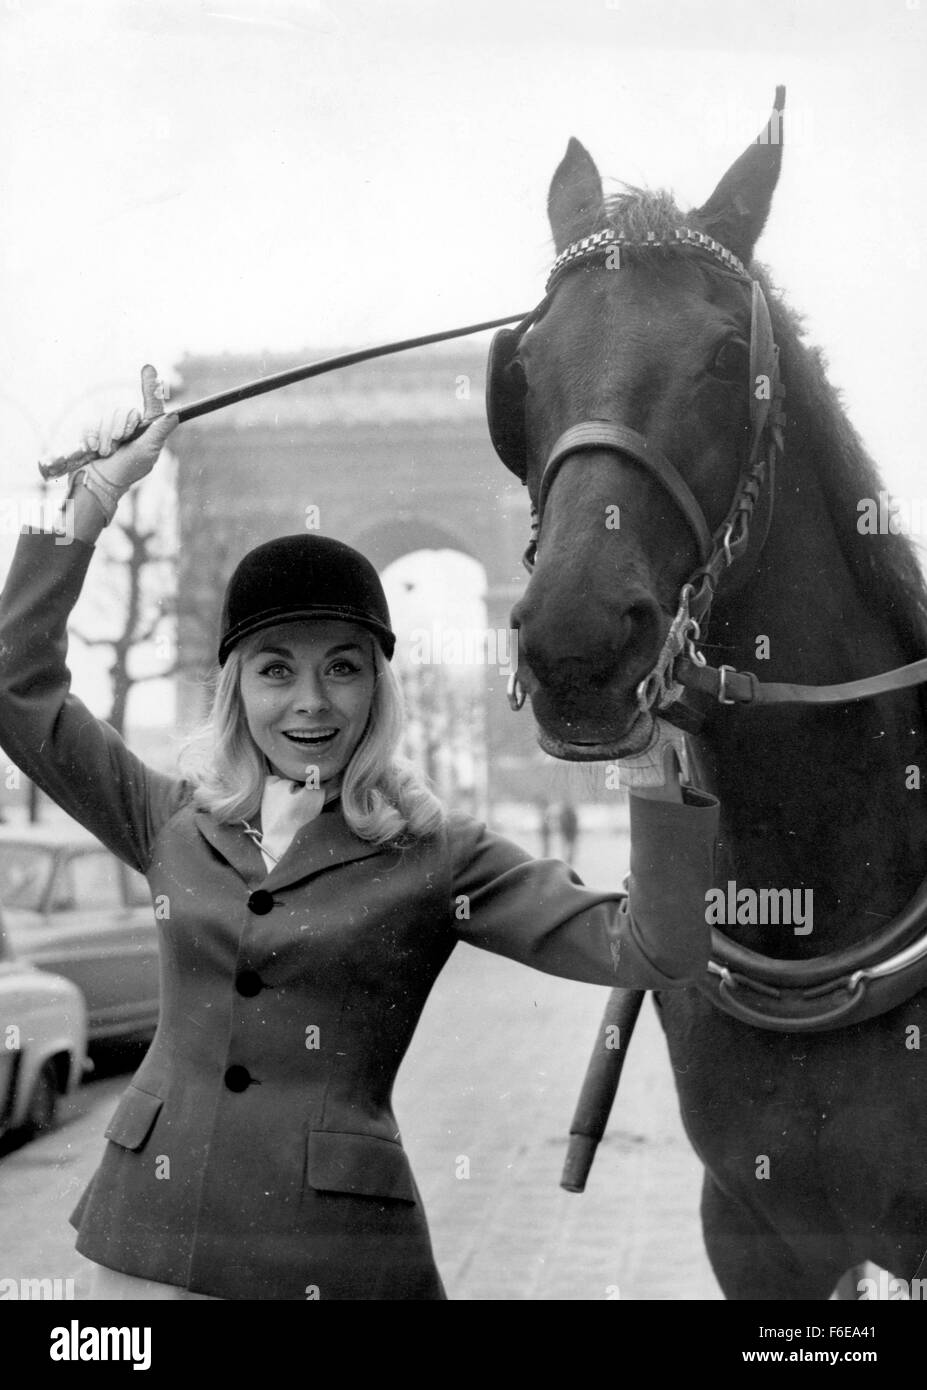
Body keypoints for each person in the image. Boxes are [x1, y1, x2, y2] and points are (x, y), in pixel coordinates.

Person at [0, 367, 719, 1301]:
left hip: (332, 1259)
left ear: (379, 688)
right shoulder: (170, 820)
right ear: (235, 688)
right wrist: (90, 502)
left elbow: (651, 949)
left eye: (343, 667)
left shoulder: (435, 853)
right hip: (148, 1245)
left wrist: (653, 758)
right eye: (273, 669)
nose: (308, 701)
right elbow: (19, 692)